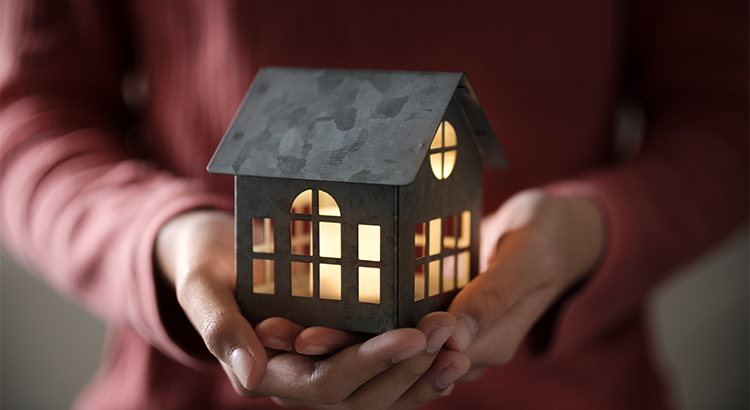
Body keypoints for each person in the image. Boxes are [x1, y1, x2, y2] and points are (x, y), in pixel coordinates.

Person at [1, 1, 746, 409]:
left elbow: (728, 108)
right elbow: (31, 110)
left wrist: (590, 230)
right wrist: (162, 238)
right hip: (191, 389)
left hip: (567, 389)